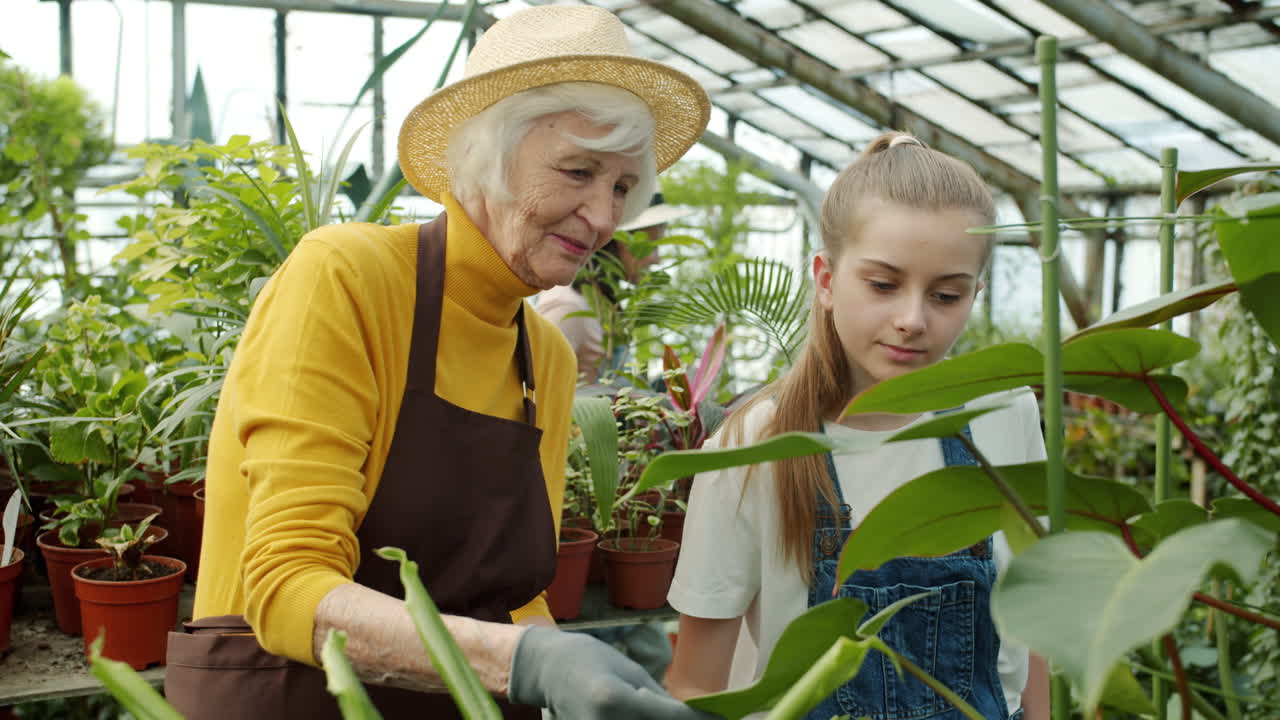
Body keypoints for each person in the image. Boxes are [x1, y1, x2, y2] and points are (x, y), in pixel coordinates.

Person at [164, 6, 713, 720]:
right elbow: (286, 585)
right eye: (578, 171)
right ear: (487, 154)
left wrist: (574, 685)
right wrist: (528, 662)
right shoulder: (348, 280)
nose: (605, 219)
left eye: (619, 188)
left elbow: (514, 596)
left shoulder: (542, 356)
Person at [663, 132, 1051, 720]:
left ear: (977, 293)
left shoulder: (1003, 415)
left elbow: (1035, 625)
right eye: (883, 285)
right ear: (824, 279)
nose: (912, 319)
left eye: (947, 294)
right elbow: (695, 687)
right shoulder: (753, 450)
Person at [535, 192, 691, 384]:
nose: (657, 259)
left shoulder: (604, 305)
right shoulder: (569, 307)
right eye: (652, 246)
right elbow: (538, 388)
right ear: (621, 242)